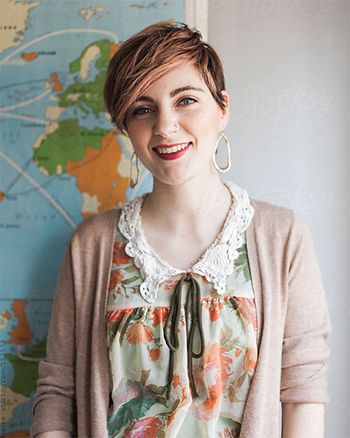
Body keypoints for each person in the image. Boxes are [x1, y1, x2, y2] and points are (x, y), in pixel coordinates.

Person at [31, 22, 331, 438]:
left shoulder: (282, 238)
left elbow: (303, 389)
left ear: (222, 107)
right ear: (126, 128)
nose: (165, 126)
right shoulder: (91, 245)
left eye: (185, 100)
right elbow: (57, 392)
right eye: (143, 108)